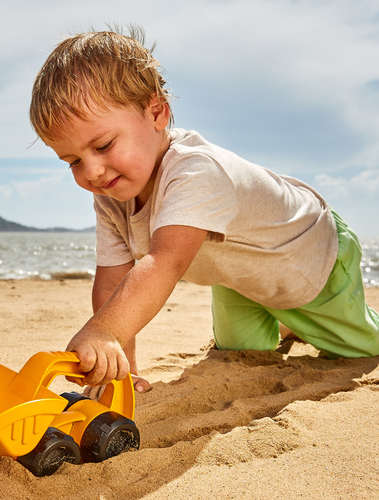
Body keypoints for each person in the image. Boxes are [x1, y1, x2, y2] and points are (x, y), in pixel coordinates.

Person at [29, 28, 379, 394]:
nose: (92, 172)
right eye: (72, 161)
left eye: (103, 145)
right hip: (238, 275)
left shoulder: (196, 171)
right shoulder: (111, 193)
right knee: (239, 354)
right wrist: (122, 369)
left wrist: (105, 331)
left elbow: (166, 261)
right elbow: (113, 282)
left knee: (360, 349)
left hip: (307, 256)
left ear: (156, 112)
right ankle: (286, 323)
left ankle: (299, 318)